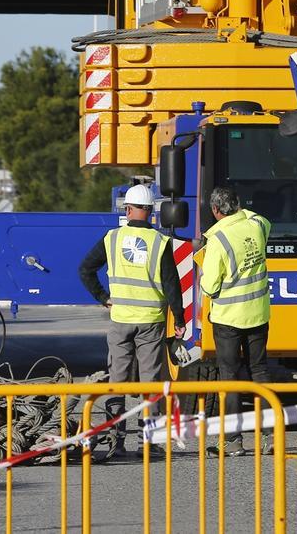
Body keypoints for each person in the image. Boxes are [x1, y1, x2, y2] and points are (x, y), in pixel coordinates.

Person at [78, 184, 184, 457]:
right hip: (151, 320)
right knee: (150, 382)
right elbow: (172, 284)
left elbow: (85, 269)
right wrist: (180, 319)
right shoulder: (160, 242)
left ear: (128, 209)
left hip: (121, 318)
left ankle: (117, 441)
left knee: (118, 381)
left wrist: (103, 297)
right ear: (151, 212)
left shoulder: (112, 238)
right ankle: (150, 443)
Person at [200, 186, 273, 457]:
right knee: (260, 372)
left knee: (229, 377)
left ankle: (233, 441)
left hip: (228, 318)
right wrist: (241, 211)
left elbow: (209, 286)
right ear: (238, 205)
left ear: (215, 210)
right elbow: (260, 218)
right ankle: (269, 438)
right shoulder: (257, 226)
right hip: (258, 313)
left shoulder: (218, 239)